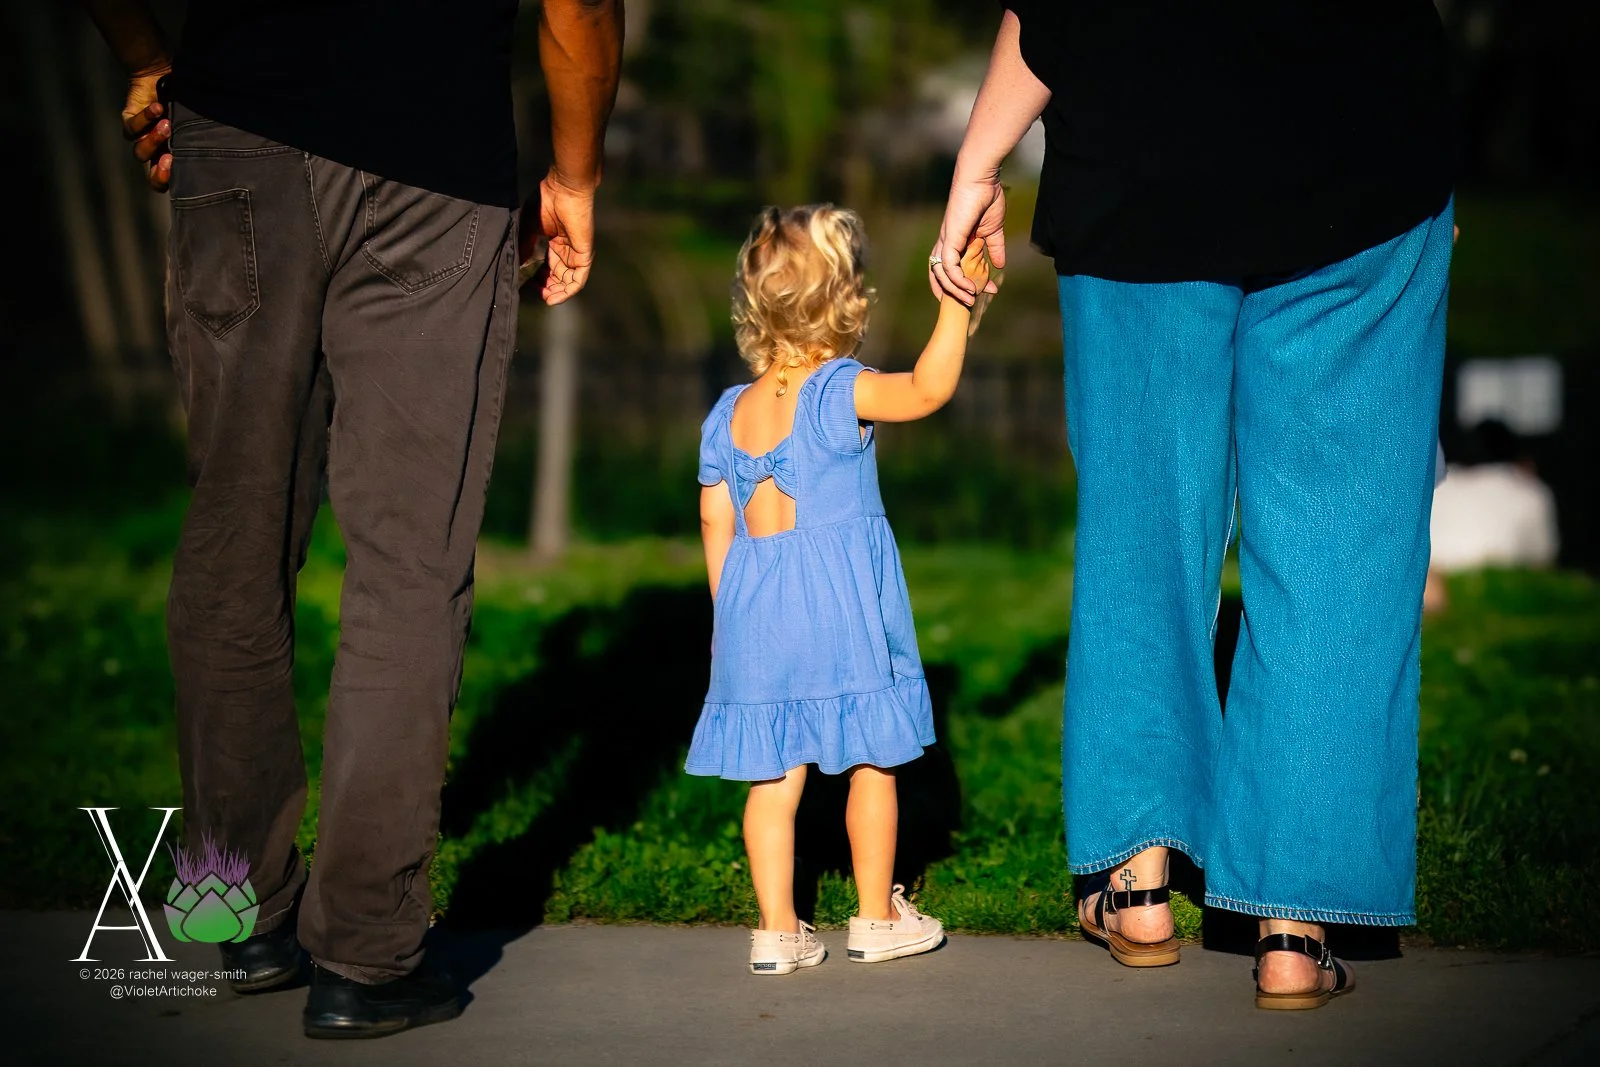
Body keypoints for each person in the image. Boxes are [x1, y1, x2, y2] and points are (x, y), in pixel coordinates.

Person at [78, 0, 623, 1039]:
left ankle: (237, 908)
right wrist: (575, 175)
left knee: (234, 537)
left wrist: (154, 63)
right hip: (432, 166)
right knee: (408, 565)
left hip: (240, 135)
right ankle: (367, 960)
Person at [931, 1, 1454, 1009]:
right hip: (1362, 155)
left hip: (1139, 165)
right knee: (1336, 548)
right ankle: (1295, 927)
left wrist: (977, 165)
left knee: (1142, 532)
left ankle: (1135, 884)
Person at [689, 207, 990, 975]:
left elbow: (715, 519)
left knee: (772, 782)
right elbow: (926, 388)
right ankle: (874, 915)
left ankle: (778, 930)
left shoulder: (727, 412)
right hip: (840, 610)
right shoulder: (840, 390)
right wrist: (958, 304)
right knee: (871, 761)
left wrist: (729, 617)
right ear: (848, 298)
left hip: (756, 611)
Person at [1430, 419, 1560, 574]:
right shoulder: (1531, 492)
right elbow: (1543, 561)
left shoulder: (1433, 486)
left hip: (1433, 589)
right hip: (1493, 591)